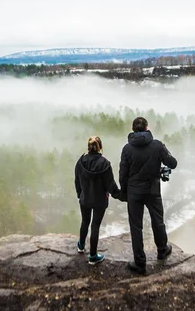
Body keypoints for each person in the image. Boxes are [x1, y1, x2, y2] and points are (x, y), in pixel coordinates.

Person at [119, 116, 177, 274]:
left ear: (132, 129)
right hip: (152, 190)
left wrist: (124, 192)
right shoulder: (157, 145)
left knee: (136, 226)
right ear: (146, 128)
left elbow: (122, 173)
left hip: (134, 192)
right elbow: (173, 163)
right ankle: (162, 250)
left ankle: (140, 263)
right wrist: (165, 152)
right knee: (157, 221)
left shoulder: (127, 149)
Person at [75, 136, 124, 265]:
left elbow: (77, 181)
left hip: (85, 199)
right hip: (100, 201)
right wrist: (121, 196)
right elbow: (111, 185)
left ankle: (80, 246)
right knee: (95, 225)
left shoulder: (81, 162)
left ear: (88, 147)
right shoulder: (105, 164)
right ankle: (92, 256)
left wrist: (80, 194)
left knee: (85, 221)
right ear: (100, 147)